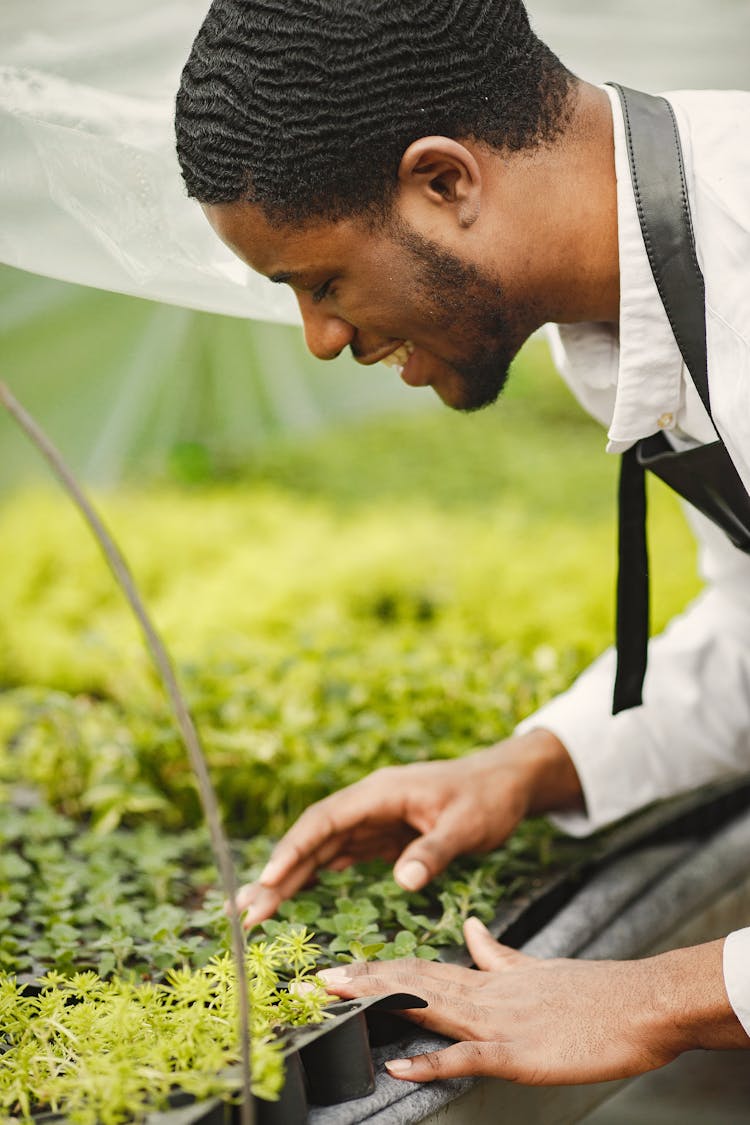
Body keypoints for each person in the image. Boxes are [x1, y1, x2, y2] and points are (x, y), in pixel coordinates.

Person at [174, 0, 750, 1087]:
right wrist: (531, 767)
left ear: (446, 181)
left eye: (322, 280)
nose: (321, 338)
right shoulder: (624, 312)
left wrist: (655, 998)